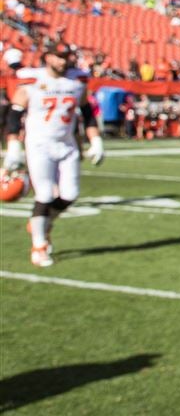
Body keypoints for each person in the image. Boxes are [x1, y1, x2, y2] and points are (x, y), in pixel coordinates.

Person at [3, 48, 104, 267]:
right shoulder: (32, 79)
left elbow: (87, 112)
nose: (64, 62)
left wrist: (95, 140)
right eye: (59, 57)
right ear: (48, 57)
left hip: (66, 144)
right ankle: (39, 245)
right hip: (39, 143)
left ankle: (42, 223)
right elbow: (15, 114)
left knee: (70, 194)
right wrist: (13, 145)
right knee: (45, 194)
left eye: (66, 57)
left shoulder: (77, 80)